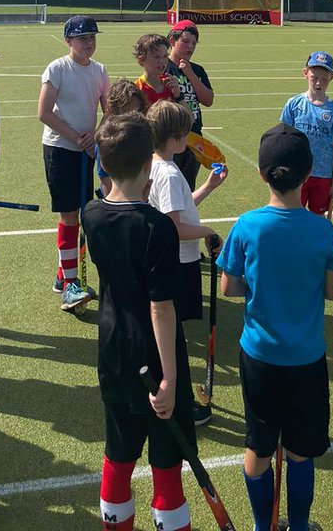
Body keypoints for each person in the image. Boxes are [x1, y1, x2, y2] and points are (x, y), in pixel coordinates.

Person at [218, 124, 333, 531]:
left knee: (259, 447)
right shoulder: (322, 229)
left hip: (260, 358)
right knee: (301, 452)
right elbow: (330, 291)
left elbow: (230, 288)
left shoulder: (248, 225)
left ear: (261, 173)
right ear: (307, 175)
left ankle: (262, 525)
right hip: (306, 358)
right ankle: (300, 525)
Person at [82, 112, 196, 531]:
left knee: (118, 452)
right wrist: (169, 377)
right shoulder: (156, 228)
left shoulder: (92, 213)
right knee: (166, 464)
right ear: (149, 162)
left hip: (113, 348)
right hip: (155, 353)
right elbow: (161, 308)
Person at [147, 100, 227, 429]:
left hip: (177, 260)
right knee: (172, 338)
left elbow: (178, 210)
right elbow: (174, 227)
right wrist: (208, 231)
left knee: (172, 334)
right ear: (177, 137)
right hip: (178, 263)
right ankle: (178, 402)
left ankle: (174, 395)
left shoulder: (158, 164)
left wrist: (207, 186)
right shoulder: (166, 171)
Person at [38, 15, 109, 312]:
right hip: (60, 149)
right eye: (81, 38)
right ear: (68, 41)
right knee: (70, 216)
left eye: (92, 37)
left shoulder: (100, 70)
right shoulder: (57, 68)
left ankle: (62, 276)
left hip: (86, 150)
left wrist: (94, 137)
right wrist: (76, 138)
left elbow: (109, 111)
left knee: (81, 213)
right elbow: (44, 112)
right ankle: (70, 286)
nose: (88, 43)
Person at [280, 51, 333, 215]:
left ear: (332, 77)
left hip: (323, 176)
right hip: (297, 173)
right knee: (294, 217)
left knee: (317, 218)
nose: (319, 82)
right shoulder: (293, 104)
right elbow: (282, 141)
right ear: (305, 73)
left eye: (324, 78)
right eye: (314, 77)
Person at [166, 21, 214, 190]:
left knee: (187, 188)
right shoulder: (163, 68)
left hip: (193, 136)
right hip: (171, 136)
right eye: (185, 41)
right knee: (170, 186)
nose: (190, 47)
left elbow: (208, 100)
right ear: (172, 41)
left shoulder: (197, 70)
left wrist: (190, 74)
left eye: (193, 43)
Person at [95, 79, 148, 197]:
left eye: (137, 111)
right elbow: (106, 182)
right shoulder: (107, 140)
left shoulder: (142, 134)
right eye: (128, 112)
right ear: (115, 110)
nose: (132, 117)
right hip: (119, 202)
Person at [133, 34, 181, 108]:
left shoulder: (171, 85)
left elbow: (189, 118)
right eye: (156, 57)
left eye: (165, 56)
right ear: (141, 60)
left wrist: (178, 96)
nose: (162, 61)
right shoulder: (137, 89)